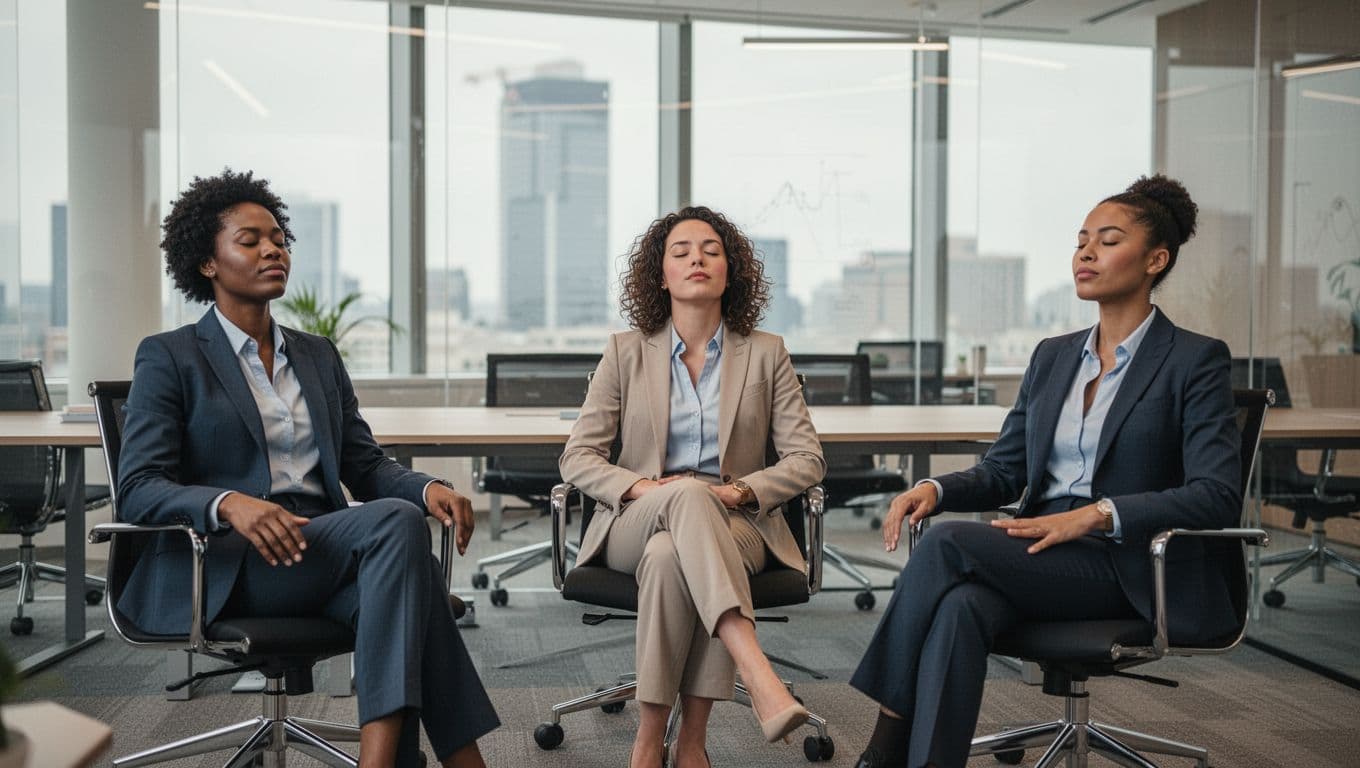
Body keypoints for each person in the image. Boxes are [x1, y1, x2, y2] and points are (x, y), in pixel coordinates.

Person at [850, 175, 1242, 768]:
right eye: (1082, 239)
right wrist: (934, 487)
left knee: (950, 543)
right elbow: (1006, 471)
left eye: (1107, 241)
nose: (1085, 253)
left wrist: (1096, 515)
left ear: (1155, 259)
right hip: (1040, 552)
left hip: (1124, 562)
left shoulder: (1194, 359)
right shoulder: (1054, 356)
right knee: (961, 608)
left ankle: (883, 747)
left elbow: (1215, 496)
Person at [117, 169, 499, 768]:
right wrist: (229, 504)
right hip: (234, 563)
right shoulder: (171, 357)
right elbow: (137, 489)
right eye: (250, 240)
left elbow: (363, 464)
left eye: (278, 238)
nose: (273, 249)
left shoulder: (316, 355)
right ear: (208, 263)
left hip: (322, 550)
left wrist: (427, 489)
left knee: (407, 568)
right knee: (402, 545)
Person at [559, 206, 827, 768]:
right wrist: (643, 489)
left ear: (732, 272)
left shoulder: (767, 352)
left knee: (668, 556)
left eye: (711, 250)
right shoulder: (625, 351)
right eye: (680, 252)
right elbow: (577, 458)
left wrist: (741, 492)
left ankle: (658, 743)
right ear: (661, 275)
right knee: (680, 499)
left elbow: (807, 459)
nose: (696, 259)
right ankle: (753, 672)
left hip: (738, 521)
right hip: (639, 514)